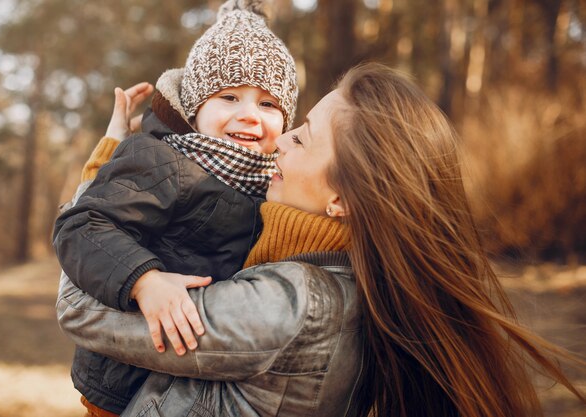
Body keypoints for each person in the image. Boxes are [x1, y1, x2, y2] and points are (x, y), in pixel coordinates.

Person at [57, 63, 585, 417]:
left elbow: (78, 307)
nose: (279, 140)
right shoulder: (339, 280)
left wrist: (105, 170)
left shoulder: (287, 306)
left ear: (342, 201)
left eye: (302, 136)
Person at [53, 0, 298, 415]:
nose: (249, 116)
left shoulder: (271, 181)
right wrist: (144, 281)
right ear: (195, 107)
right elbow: (82, 224)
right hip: (123, 382)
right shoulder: (164, 161)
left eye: (268, 104)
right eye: (230, 96)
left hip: (198, 383)